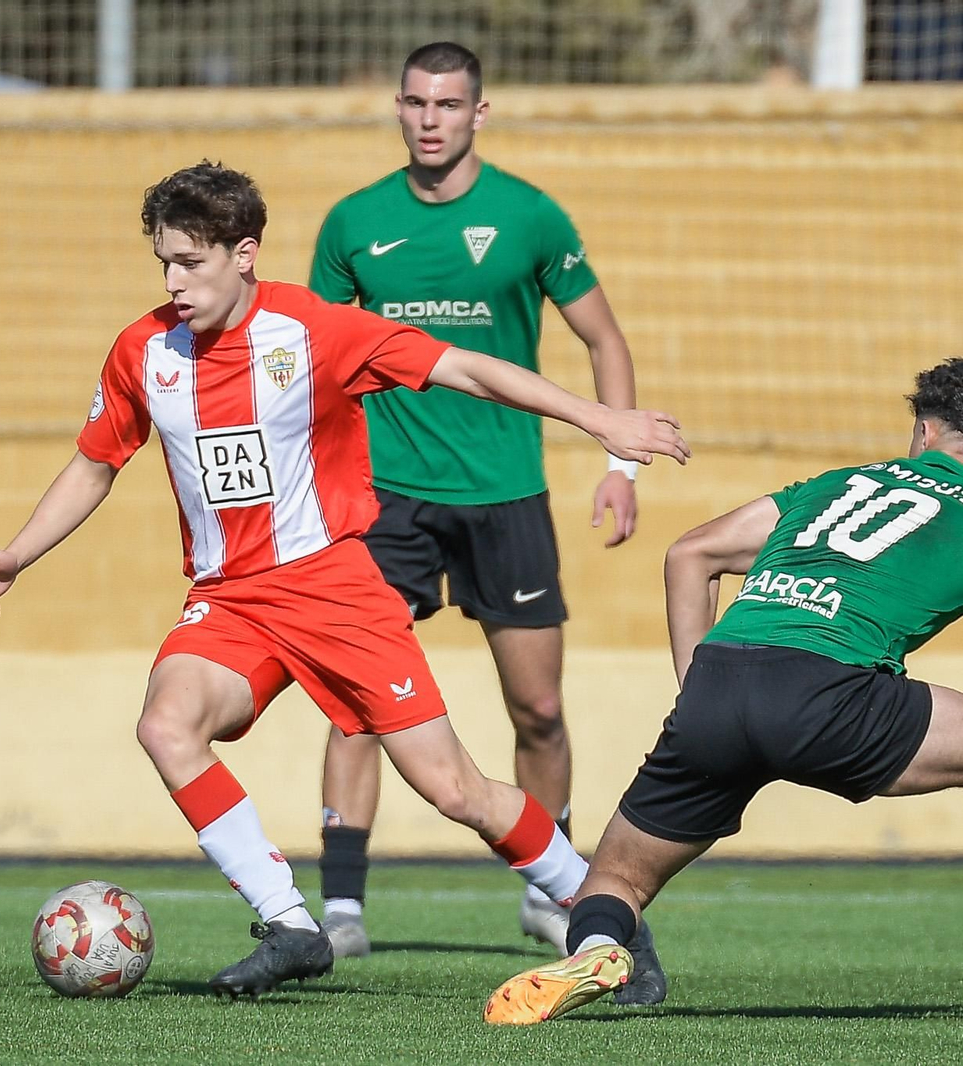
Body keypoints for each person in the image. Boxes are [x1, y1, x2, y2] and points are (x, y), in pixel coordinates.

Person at [0, 161, 690, 997]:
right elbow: (94, 466)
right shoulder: (142, 351)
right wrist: (17, 554)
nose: (173, 281)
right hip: (231, 600)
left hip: (335, 589)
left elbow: (469, 368)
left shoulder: (316, 330)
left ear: (245, 253)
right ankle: (291, 924)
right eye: (163, 262)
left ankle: (607, 913)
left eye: (190, 262)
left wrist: (599, 418)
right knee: (166, 724)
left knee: (458, 790)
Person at [484, 359, 963, 1027]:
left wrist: (698, 689)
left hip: (721, 679)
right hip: (828, 694)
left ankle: (599, 949)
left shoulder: (835, 486)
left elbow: (690, 554)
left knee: (616, 876)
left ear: (925, 431)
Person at [308, 40, 645, 961]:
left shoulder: (529, 218)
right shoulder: (353, 224)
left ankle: (551, 885)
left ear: (478, 114)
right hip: (387, 502)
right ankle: (341, 908)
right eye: (416, 103)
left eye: (448, 105)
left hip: (509, 498)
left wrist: (621, 466)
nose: (430, 119)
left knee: (537, 709)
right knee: (356, 703)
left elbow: (604, 342)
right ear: (398, 107)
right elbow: (316, 363)